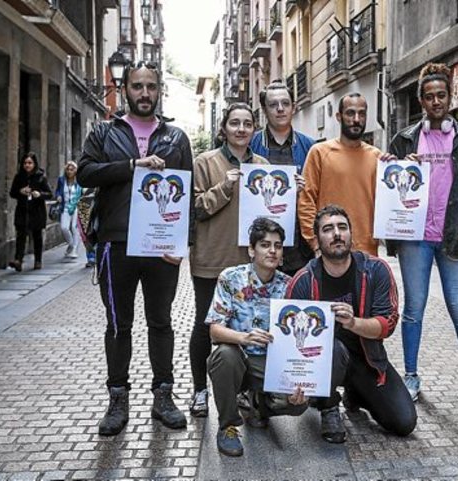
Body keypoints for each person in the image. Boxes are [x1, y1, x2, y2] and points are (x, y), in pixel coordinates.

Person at [77, 60, 193, 436]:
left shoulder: (176, 138)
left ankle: (164, 397)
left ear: (160, 90)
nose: (145, 93)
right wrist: (132, 165)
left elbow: (187, 194)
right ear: (125, 88)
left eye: (151, 86)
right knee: (118, 324)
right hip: (116, 244)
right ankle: (117, 400)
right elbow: (85, 173)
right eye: (138, 86)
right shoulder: (103, 132)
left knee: (161, 322)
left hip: (160, 247)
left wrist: (182, 243)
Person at [387, 62, 458, 405]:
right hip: (415, 237)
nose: (436, 101)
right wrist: (394, 166)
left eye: (441, 95)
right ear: (421, 100)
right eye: (429, 96)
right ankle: (411, 376)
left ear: (451, 97)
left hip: (456, 236)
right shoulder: (405, 139)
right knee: (413, 309)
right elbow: (389, 184)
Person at [287, 204, 417, 443]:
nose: (337, 234)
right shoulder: (303, 281)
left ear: (350, 233)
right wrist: (295, 384)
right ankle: (328, 405)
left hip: (367, 359)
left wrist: (353, 322)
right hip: (323, 362)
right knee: (334, 348)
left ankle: (356, 392)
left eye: (342, 227)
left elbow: (387, 324)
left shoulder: (375, 270)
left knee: (404, 422)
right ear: (317, 239)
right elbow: (289, 343)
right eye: (328, 229)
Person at [188, 103, 272, 418]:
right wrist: (225, 186)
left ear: (254, 129)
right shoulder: (204, 162)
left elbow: (272, 216)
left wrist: (292, 193)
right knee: (205, 326)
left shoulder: (262, 165)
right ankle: (200, 390)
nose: (241, 129)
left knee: (247, 326)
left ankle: (242, 391)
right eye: (234, 123)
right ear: (224, 128)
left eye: (247, 123)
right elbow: (195, 207)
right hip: (211, 259)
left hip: (248, 265)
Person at [206, 217, 309, 457]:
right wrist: (244, 338)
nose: (272, 251)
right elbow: (214, 330)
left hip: (273, 363)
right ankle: (228, 426)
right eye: (265, 245)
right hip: (239, 359)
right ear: (251, 250)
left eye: (277, 246)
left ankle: (258, 405)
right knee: (224, 355)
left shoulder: (290, 285)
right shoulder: (230, 278)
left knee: (299, 404)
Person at [298, 93, 381, 257]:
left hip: (367, 251)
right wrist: (315, 243)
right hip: (329, 249)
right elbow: (306, 200)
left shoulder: (377, 157)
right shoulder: (319, 152)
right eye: (350, 113)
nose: (356, 119)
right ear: (338, 116)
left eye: (361, 113)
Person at [250, 80, 315, 276]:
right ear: (264, 109)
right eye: (273, 104)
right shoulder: (250, 145)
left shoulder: (310, 146)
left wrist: (305, 189)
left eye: (285, 103)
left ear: (293, 107)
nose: (280, 109)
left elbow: (319, 193)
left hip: (299, 248)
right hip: (259, 247)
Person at [8, 152, 53, 271]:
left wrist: (39, 194)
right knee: (21, 235)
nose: (27, 165)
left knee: (37, 236)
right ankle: (18, 260)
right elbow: (12, 193)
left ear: (34, 164)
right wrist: (20, 191)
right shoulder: (19, 177)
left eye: (30, 163)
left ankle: (38, 260)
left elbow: (49, 194)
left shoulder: (41, 177)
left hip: (36, 211)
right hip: (22, 210)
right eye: (25, 163)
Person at [54, 161, 83, 258]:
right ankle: (70, 244)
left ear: (75, 171)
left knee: (74, 228)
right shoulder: (62, 180)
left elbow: (83, 193)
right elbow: (58, 191)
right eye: (68, 169)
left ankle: (74, 250)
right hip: (65, 207)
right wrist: (58, 196)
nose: (69, 171)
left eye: (72, 169)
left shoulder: (79, 181)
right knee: (64, 227)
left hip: (76, 207)